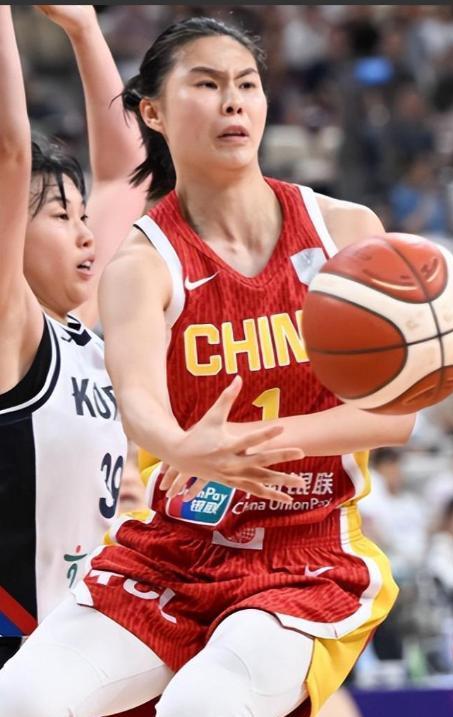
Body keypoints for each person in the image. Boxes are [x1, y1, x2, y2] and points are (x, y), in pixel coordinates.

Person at [0, 16, 416, 717]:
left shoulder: (345, 232)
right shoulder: (140, 263)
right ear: (152, 112)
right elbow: (139, 402)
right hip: (171, 551)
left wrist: (248, 442)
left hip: (305, 550)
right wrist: (180, 444)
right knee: (23, 696)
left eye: (246, 84)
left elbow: (396, 414)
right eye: (207, 83)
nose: (232, 101)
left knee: (204, 703)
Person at [0, 4, 146, 667]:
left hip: (77, 647)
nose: (88, 233)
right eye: (62, 216)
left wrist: (85, 29)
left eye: (84, 215)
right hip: (17, 642)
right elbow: (11, 149)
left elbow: (127, 178)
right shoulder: (13, 327)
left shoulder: (79, 327)